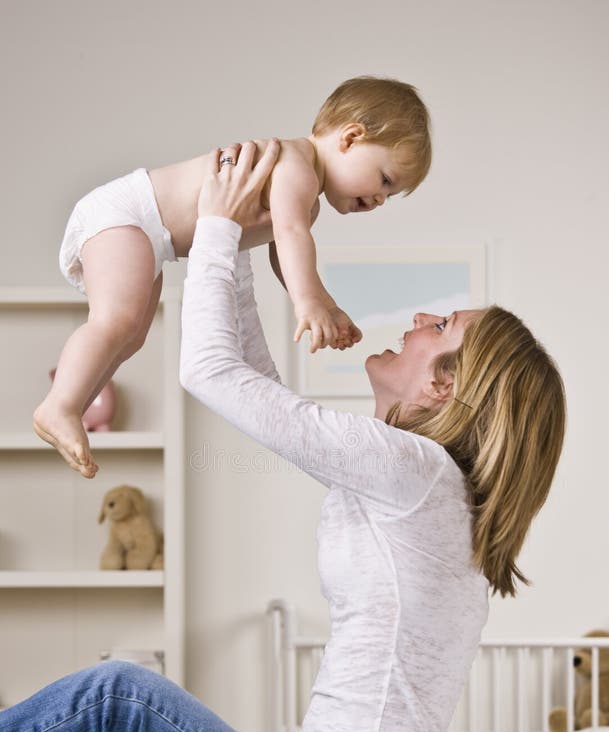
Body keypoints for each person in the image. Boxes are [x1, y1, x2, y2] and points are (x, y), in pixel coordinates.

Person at [0, 141, 565, 732]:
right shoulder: (420, 484)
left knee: (119, 698)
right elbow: (254, 387)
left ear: (443, 385)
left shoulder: (412, 471)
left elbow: (209, 373)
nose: (421, 316)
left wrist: (214, 224)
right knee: (117, 729)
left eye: (442, 326)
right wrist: (235, 239)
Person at [33, 75, 431, 479]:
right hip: (129, 214)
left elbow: (284, 252)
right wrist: (308, 302)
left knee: (132, 333)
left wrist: (322, 303)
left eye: (391, 194)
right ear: (350, 138)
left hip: (154, 237)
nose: (381, 199)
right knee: (115, 321)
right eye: (385, 180)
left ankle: (74, 404)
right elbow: (290, 236)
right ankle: (60, 405)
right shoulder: (296, 166)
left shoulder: (307, 200)